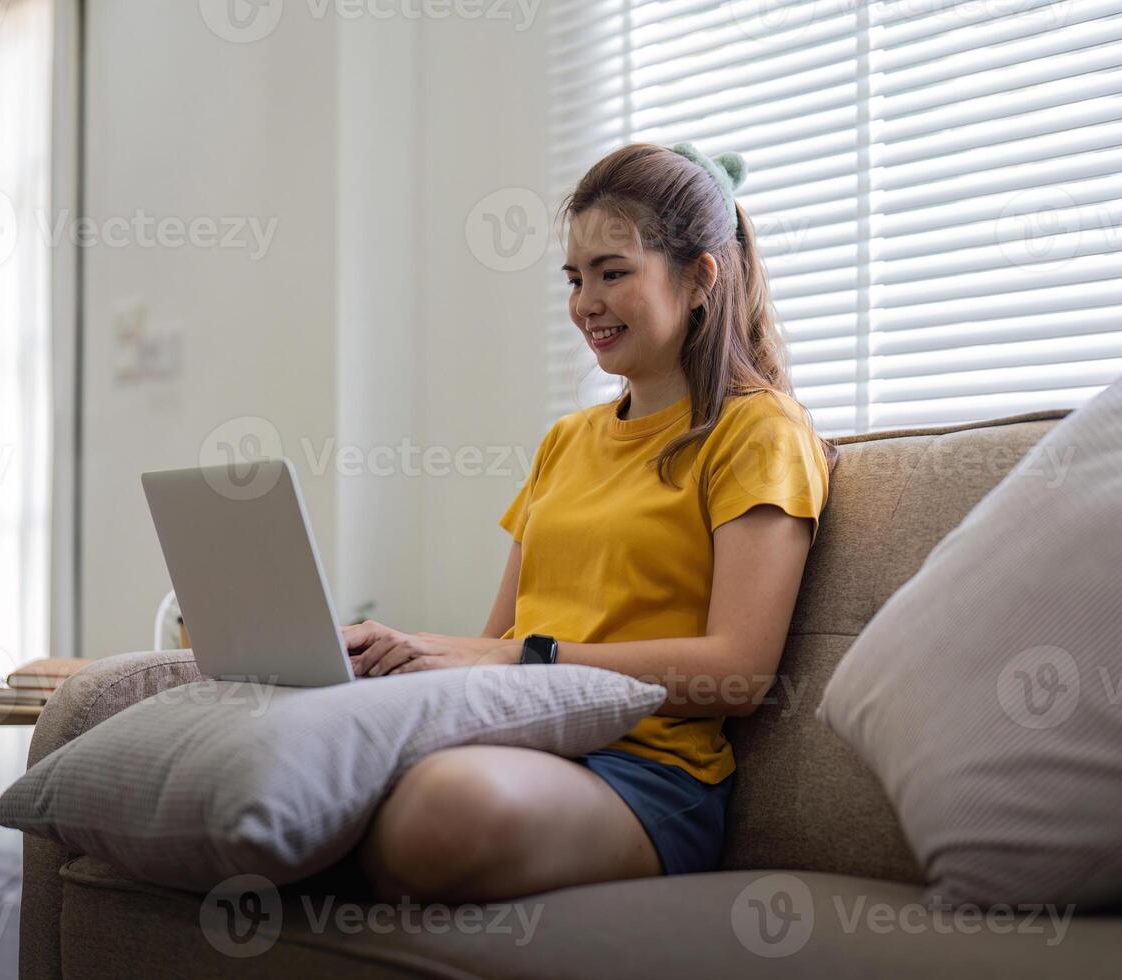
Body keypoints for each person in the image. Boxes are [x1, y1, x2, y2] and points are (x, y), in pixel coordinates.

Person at [344, 141, 835, 904]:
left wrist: (529, 661)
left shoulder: (760, 431)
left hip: (644, 773)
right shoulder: (564, 442)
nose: (585, 305)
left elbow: (738, 669)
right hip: (519, 730)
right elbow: (498, 641)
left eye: (613, 273)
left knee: (439, 813)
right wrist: (410, 651)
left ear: (700, 278)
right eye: (575, 280)